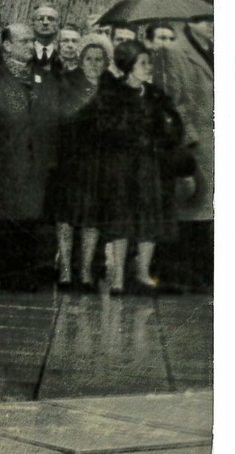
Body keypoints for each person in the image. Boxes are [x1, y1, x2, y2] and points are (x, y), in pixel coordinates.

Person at [0, 23, 61, 291]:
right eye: (25, 41)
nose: (32, 45)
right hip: (2, 163)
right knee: (4, 221)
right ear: (6, 45)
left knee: (32, 221)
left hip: (36, 164)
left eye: (33, 41)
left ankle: (23, 278)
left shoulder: (42, 77)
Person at [85, 41, 188, 294]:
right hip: (120, 167)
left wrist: (164, 133)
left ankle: (142, 274)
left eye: (149, 62)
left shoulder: (155, 94)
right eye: (143, 62)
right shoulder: (111, 93)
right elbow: (102, 128)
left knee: (149, 219)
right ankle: (118, 278)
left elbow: (174, 126)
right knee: (121, 219)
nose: (148, 67)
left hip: (149, 167)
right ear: (128, 65)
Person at [151, 18, 213, 289]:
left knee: (206, 212)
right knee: (188, 207)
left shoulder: (214, 50)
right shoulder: (172, 52)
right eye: (204, 20)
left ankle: (202, 275)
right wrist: (189, 139)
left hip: (214, 145)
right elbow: (169, 100)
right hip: (193, 146)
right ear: (189, 23)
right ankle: (178, 275)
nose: (212, 24)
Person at [50, 33, 114, 290]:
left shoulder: (112, 87)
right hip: (71, 159)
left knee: (92, 216)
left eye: (99, 59)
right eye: (89, 58)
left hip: (100, 161)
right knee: (66, 215)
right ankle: (65, 270)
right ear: (81, 59)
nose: (94, 64)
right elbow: (58, 118)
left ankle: (86, 271)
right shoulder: (66, 83)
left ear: (106, 62)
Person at [31, 4, 62, 71]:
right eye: (40, 19)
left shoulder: (63, 55)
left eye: (51, 19)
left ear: (58, 23)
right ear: (33, 23)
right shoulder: (25, 52)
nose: (45, 22)